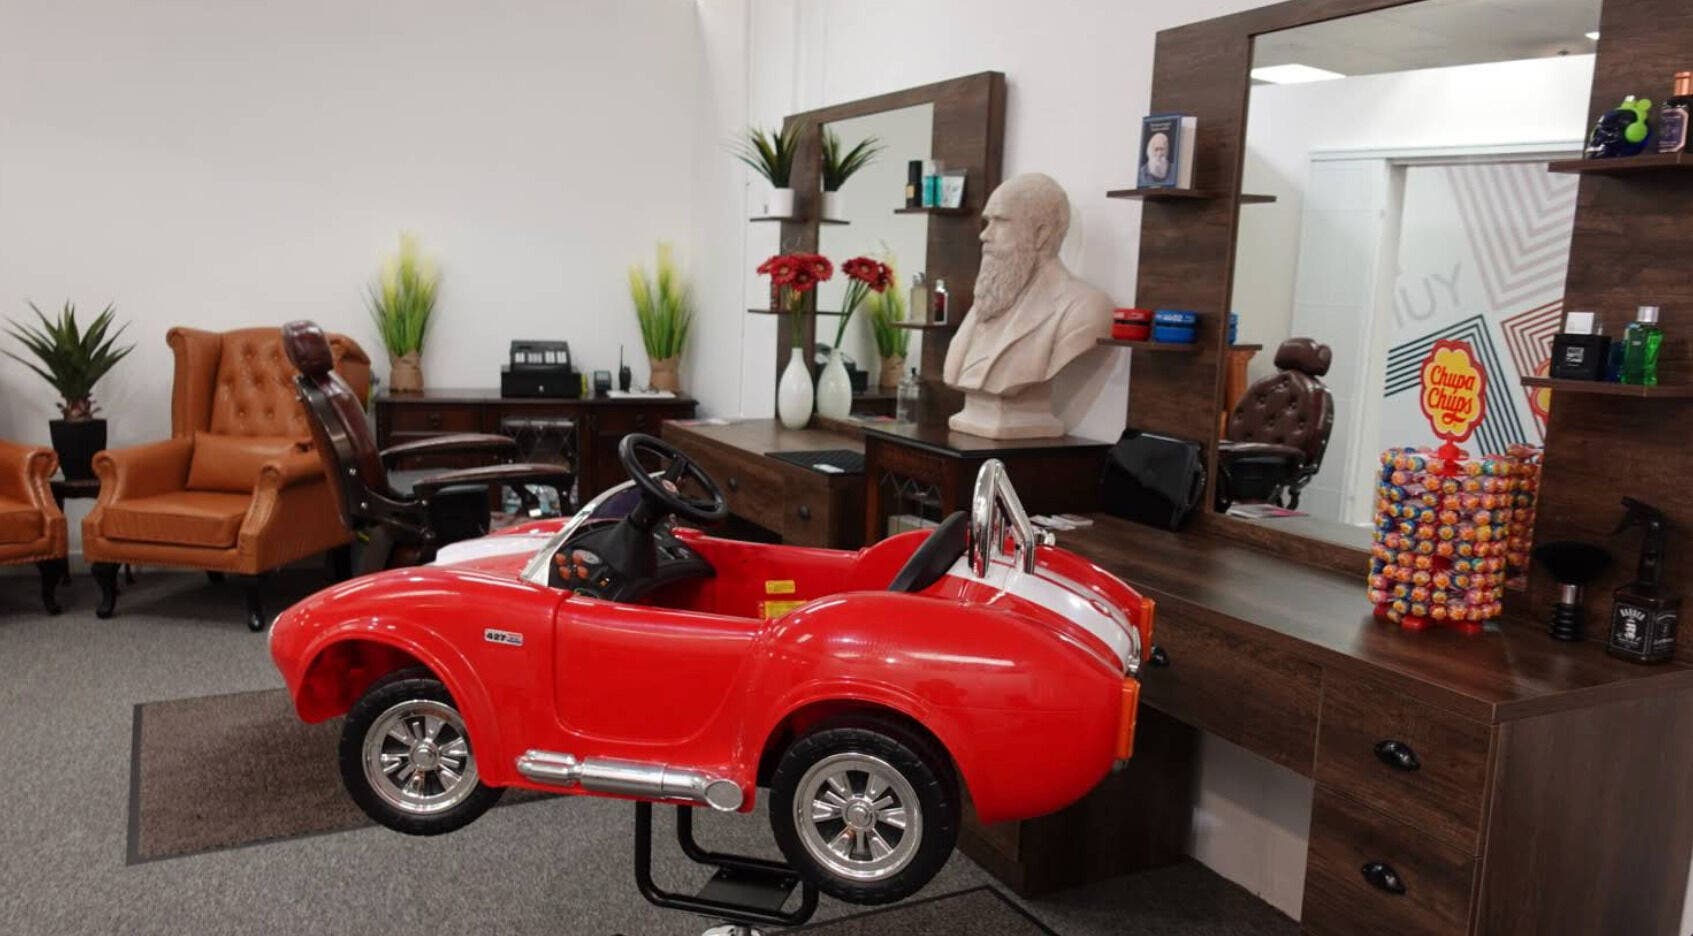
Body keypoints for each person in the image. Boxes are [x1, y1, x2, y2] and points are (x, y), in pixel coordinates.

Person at [943, 173, 1111, 439]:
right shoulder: (990, 298)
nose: (985, 235)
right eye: (987, 222)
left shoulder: (1085, 308)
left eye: (1000, 221)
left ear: (1041, 234)